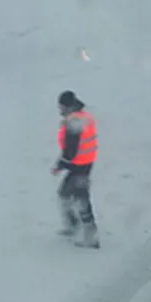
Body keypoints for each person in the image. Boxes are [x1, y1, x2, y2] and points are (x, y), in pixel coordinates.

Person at [53, 90, 100, 248]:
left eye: (61, 107)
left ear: (68, 106)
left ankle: (91, 236)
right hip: (85, 163)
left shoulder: (74, 122)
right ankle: (73, 224)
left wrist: (60, 165)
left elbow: (70, 151)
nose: (60, 110)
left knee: (80, 199)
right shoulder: (83, 116)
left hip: (79, 166)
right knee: (65, 194)